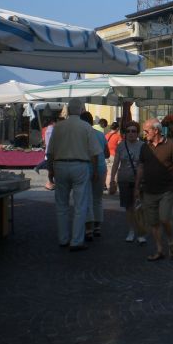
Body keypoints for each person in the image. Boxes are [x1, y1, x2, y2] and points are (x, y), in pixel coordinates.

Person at [47, 99, 102, 252]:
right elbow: (95, 153)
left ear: (69, 110)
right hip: (80, 165)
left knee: (61, 205)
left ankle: (63, 238)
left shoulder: (58, 127)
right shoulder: (86, 127)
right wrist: (95, 171)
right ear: (80, 110)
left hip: (60, 165)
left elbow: (50, 151)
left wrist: (50, 171)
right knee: (81, 205)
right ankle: (76, 241)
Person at [133, 118, 173, 261]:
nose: (144, 134)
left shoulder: (171, 145)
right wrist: (137, 186)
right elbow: (141, 167)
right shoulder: (145, 147)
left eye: (146, 131)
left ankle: (170, 242)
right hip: (149, 190)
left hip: (166, 190)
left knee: (165, 219)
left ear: (155, 130)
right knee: (153, 223)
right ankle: (159, 249)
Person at [108, 121, 147, 244]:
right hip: (124, 179)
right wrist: (112, 179)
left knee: (139, 208)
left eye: (133, 131)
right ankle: (131, 230)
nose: (130, 133)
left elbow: (145, 164)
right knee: (129, 208)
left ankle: (141, 233)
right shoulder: (121, 146)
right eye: (128, 131)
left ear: (137, 133)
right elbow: (115, 164)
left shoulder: (143, 146)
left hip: (139, 181)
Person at [80, 111, 110, 239]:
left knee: (86, 199)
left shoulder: (81, 136)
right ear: (92, 121)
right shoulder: (100, 134)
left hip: (86, 168)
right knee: (98, 199)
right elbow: (107, 153)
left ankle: (88, 230)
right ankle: (97, 227)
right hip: (101, 168)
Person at [105, 121, 121, 189]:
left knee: (108, 173)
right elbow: (120, 146)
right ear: (117, 128)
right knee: (115, 171)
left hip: (106, 155)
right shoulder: (118, 136)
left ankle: (109, 187)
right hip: (114, 156)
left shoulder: (106, 135)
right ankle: (113, 187)